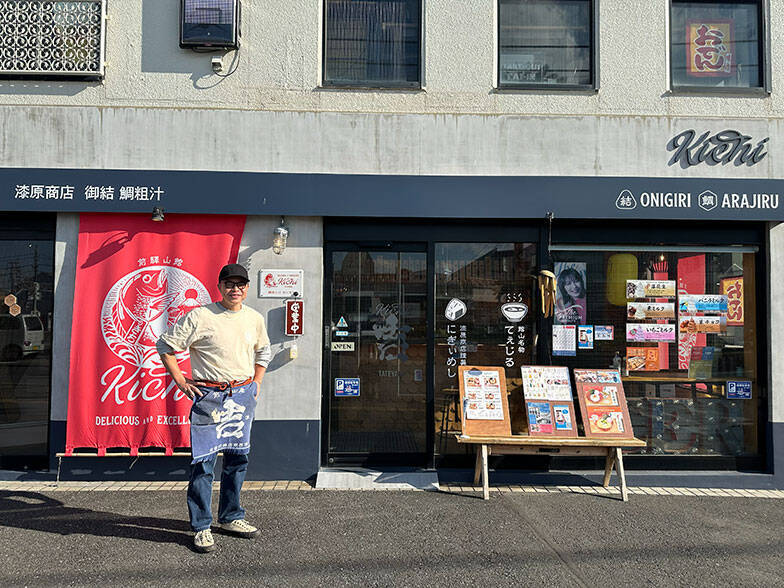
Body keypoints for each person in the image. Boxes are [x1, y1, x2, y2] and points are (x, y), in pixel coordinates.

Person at [157, 263, 271, 553]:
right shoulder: (201, 315)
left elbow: (263, 351)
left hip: (242, 395)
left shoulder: (254, 318)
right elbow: (165, 345)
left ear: (247, 288)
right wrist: (181, 380)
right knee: (203, 463)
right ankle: (201, 526)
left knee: (237, 460)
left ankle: (231, 516)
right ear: (219, 287)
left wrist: (256, 382)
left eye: (241, 284)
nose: (235, 289)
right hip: (210, 396)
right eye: (229, 284)